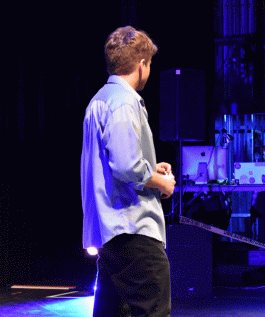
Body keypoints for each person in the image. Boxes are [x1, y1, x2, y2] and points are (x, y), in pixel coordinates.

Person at [80, 26, 175, 317]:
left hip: (110, 230)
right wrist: (161, 182)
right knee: (154, 310)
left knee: (112, 313)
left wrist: (149, 166)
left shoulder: (100, 100)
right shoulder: (124, 102)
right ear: (141, 64)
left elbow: (116, 161)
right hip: (132, 227)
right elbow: (125, 166)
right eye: (149, 64)